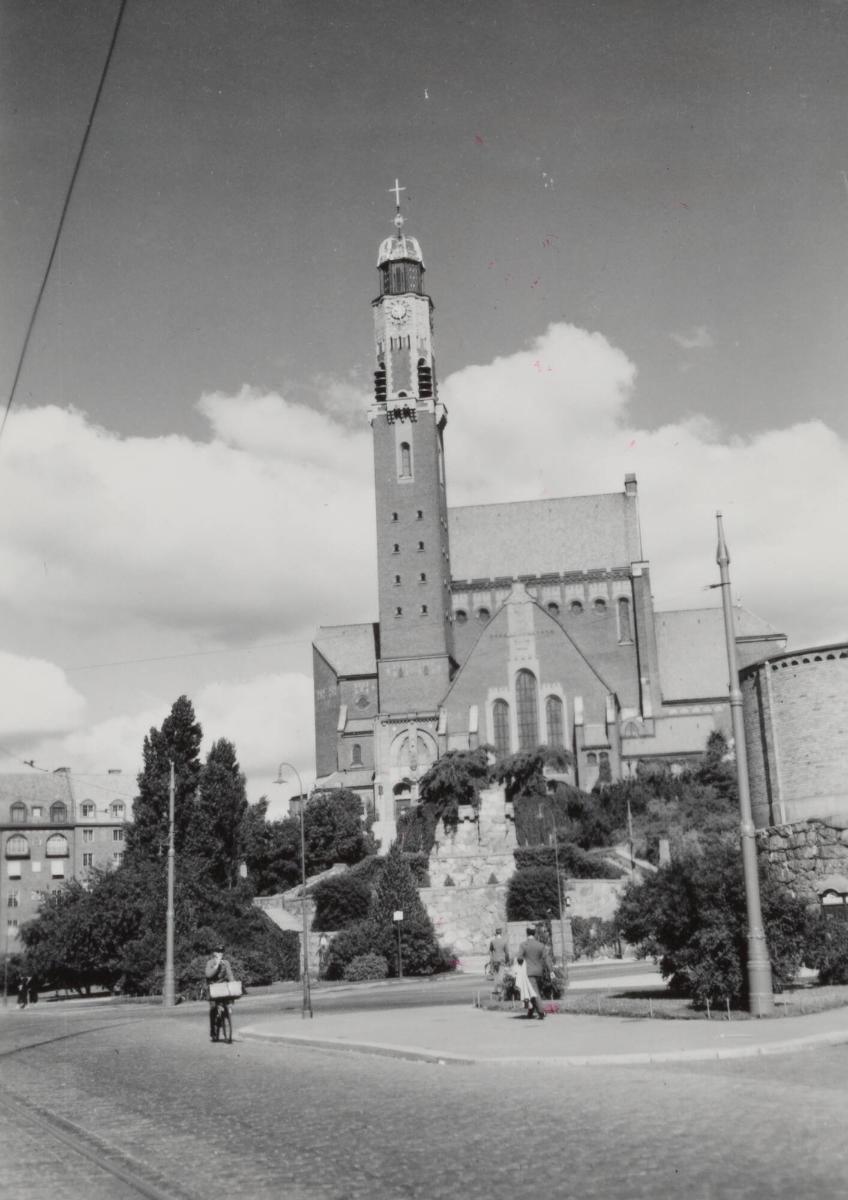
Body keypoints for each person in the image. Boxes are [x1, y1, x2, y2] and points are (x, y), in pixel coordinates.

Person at [515, 925, 551, 1019]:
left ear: (527, 933)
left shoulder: (523, 945)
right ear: (535, 933)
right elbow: (546, 958)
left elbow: (519, 958)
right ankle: (530, 1012)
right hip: (539, 972)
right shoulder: (540, 945)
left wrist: (521, 963)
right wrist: (551, 971)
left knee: (534, 992)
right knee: (532, 991)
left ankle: (541, 1012)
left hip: (529, 972)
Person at [204, 945, 234, 1041]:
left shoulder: (226, 963)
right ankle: (213, 1031)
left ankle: (226, 1016)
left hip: (222, 987)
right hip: (213, 988)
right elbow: (208, 975)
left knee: (228, 1000)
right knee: (213, 1008)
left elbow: (229, 974)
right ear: (214, 953)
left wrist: (233, 983)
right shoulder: (210, 963)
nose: (220, 953)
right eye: (218, 952)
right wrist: (216, 966)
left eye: (221, 952)